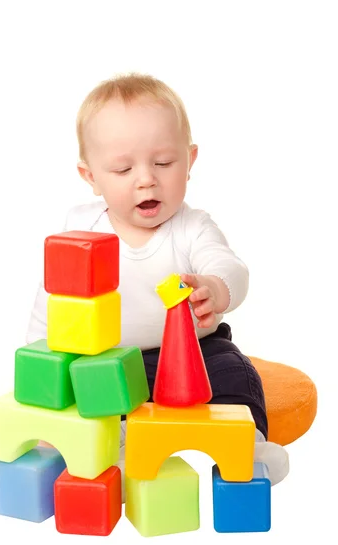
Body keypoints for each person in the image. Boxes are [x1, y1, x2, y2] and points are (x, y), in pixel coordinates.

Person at [26, 72, 289, 487]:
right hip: (109, 358)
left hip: (196, 352)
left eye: (163, 163)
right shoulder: (82, 229)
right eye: (122, 168)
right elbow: (54, 300)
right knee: (93, 399)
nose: (146, 178)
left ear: (190, 160)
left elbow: (230, 267)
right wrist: (41, 368)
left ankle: (248, 447)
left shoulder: (192, 227)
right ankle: (121, 449)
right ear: (90, 176)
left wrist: (215, 288)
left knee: (235, 373)